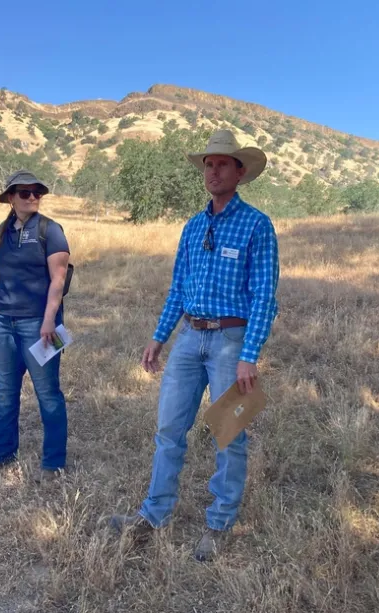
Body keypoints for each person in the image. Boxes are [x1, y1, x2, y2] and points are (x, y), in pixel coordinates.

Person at [110, 130, 280, 562]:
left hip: (230, 339)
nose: (214, 170)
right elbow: (177, 289)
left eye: (223, 163)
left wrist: (249, 355)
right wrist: (158, 336)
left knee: (229, 434)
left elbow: (264, 296)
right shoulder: (192, 226)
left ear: (240, 172)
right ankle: (155, 513)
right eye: (208, 163)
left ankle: (220, 522)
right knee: (169, 429)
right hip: (189, 338)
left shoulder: (257, 225)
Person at [0, 170, 71, 479]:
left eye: (36, 192)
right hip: (2, 322)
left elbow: (59, 279)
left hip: (41, 324)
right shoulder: (2, 230)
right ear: (10, 198)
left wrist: (48, 321)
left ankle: (53, 463)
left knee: (48, 392)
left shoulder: (51, 229)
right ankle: (1, 452)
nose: (32, 197)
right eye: (24, 192)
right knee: (5, 390)